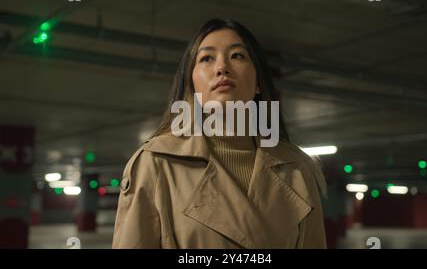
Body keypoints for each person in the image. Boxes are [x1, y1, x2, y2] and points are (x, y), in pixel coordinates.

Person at [112, 18, 327, 249]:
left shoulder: (299, 167)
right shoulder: (155, 164)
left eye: (237, 56)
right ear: (191, 84)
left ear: (258, 83)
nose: (222, 67)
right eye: (206, 58)